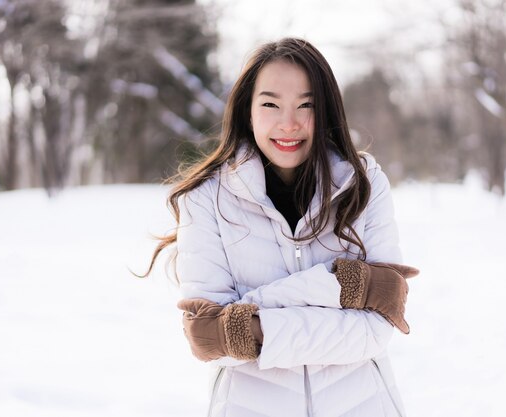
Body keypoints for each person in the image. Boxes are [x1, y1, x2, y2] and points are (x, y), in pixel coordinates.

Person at [147, 37, 419, 417]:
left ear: (325, 111)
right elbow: (209, 338)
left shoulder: (363, 182)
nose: (288, 124)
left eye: (306, 105)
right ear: (248, 111)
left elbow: (377, 328)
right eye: (271, 104)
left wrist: (249, 322)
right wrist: (349, 287)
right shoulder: (205, 198)